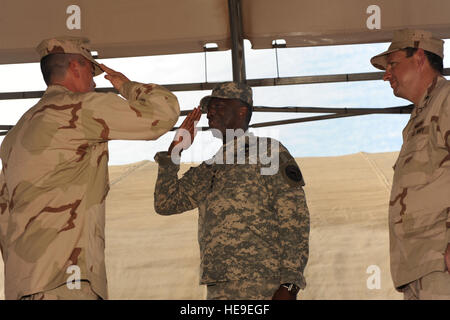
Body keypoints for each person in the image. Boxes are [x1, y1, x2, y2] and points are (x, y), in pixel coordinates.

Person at [0, 36, 180, 300]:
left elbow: (4, 212)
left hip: (24, 284)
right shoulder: (81, 108)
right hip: (66, 280)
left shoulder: (15, 135)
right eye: (90, 71)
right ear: (75, 67)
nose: (94, 82)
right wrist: (126, 85)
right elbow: (164, 113)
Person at [153, 82, 310, 300]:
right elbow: (166, 203)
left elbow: (294, 216)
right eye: (210, 108)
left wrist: (290, 284)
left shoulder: (267, 151)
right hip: (219, 287)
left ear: (242, 110)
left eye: (219, 106)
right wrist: (175, 151)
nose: (210, 113)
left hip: (263, 284)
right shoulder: (210, 168)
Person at [371, 29, 450, 299]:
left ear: (418, 57)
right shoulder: (420, 118)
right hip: (418, 267)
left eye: (392, 64)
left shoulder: (447, 100)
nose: (386, 75)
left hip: (441, 261)